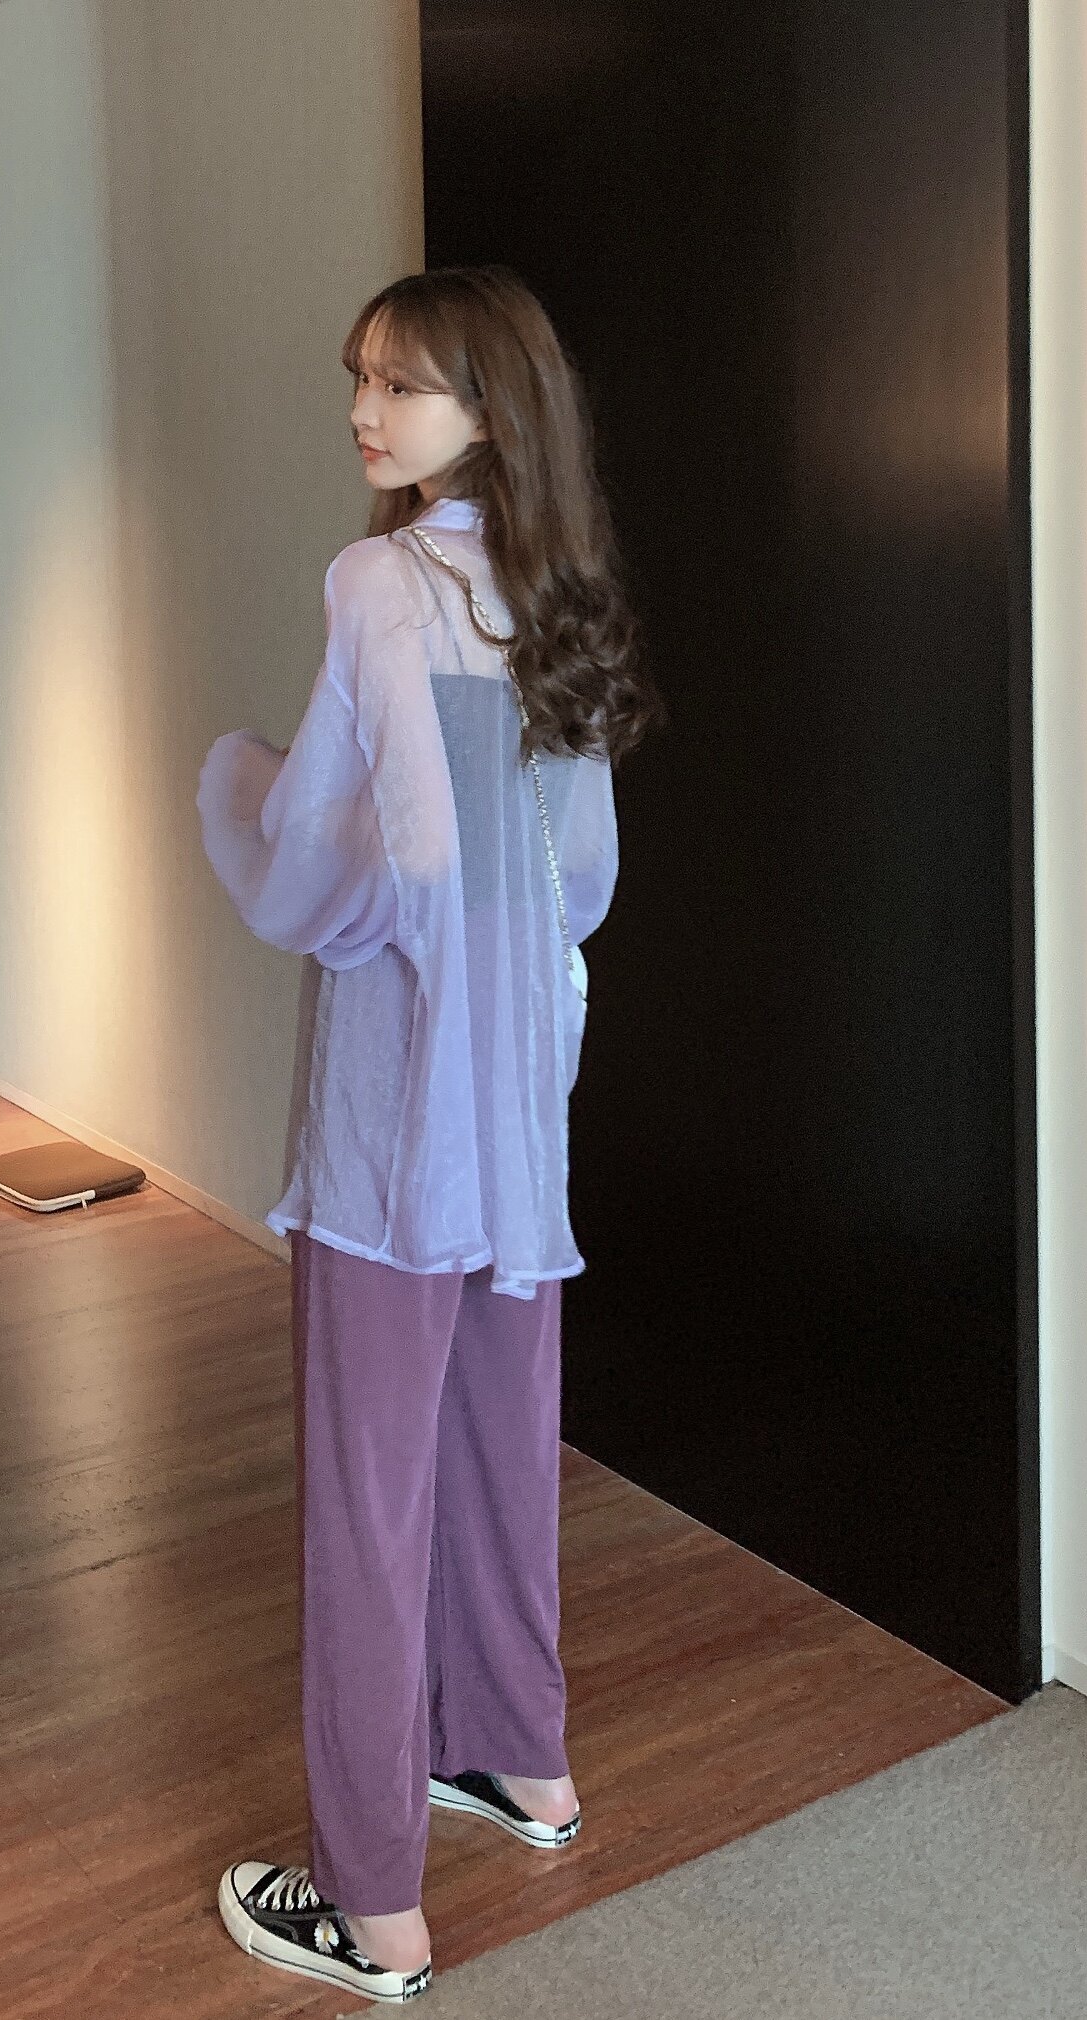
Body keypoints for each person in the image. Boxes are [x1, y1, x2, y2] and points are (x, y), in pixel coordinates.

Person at [199, 265, 663, 2005]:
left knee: (369, 1495)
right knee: (497, 1445)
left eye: (399, 385)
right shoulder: (555, 593)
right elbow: (580, 876)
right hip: (523, 1120)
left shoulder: (380, 586)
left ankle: (371, 1903)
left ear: (488, 411)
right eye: (361, 379)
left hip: (399, 1129)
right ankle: (522, 1759)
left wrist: (238, 790)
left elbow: (350, 862)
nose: (363, 413)